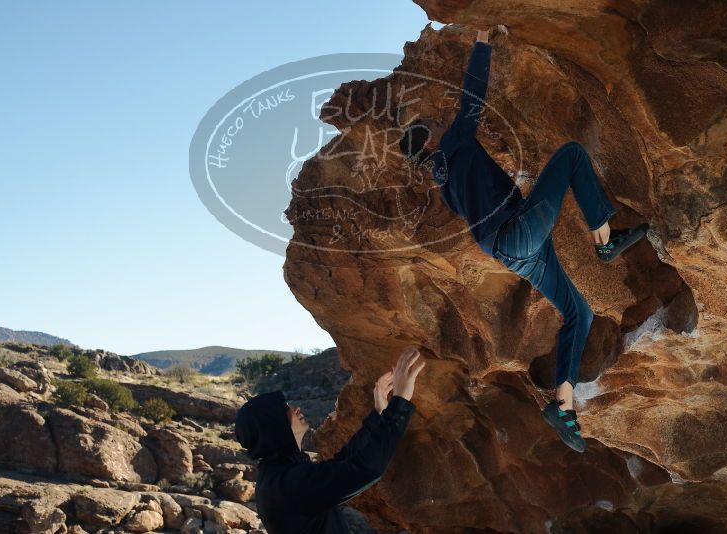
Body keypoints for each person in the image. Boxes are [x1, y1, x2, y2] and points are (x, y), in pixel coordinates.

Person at [399, 29, 648, 453]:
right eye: (435, 124)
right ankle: (604, 239)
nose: (442, 122)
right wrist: (482, 41)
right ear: (430, 140)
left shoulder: (444, 182)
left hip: (512, 250)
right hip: (516, 232)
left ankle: (563, 406)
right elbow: (472, 95)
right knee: (570, 154)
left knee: (579, 313)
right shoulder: (453, 144)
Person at [234, 347, 426, 533]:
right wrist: (400, 401)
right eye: (285, 409)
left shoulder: (281, 474)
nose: (296, 408)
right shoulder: (289, 484)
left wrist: (379, 413)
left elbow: (342, 462)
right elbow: (365, 469)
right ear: (273, 427)